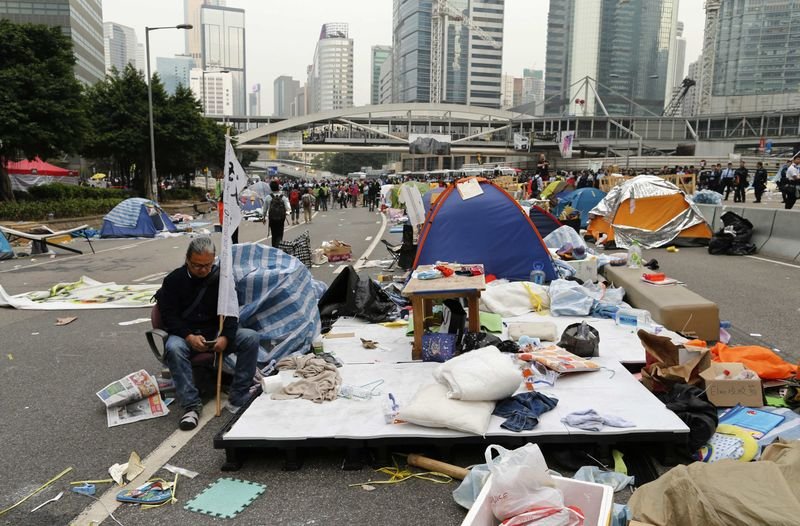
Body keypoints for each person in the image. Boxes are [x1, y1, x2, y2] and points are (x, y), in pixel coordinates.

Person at [157, 237, 259, 430]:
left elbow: (231, 314)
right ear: (187, 260)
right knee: (174, 347)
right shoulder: (173, 280)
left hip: (215, 332)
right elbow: (169, 316)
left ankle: (239, 396)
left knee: (250, 338)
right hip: (185, 334)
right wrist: (188, 336)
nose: (203, 270)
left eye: (208, 265)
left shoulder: (223, 280)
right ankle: (191, 406)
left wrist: (226, 337)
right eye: (197, 266)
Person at [262, 181, 290, 248]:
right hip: (281, 219)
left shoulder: (268, 197)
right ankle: (279, 247)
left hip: (272, 219)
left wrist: (263, 218)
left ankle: (274, 248)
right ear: (278, 187)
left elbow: (264, 209)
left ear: (271, 188)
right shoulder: (283, 197)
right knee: (280, 233)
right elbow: (288, 208)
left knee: (274, 234)